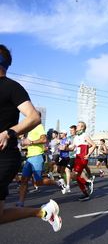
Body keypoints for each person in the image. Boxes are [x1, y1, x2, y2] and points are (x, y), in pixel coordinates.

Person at [0, 44, 61, 231]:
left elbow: (34, 116)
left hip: (4, 156)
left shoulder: (12, 87)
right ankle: (43, 212)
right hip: (22, 156)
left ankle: (49, 198)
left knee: (32, 180)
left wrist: (8, 133)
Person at [17, 112, 67, 207]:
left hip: (37, 156)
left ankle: (58, 182)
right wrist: (24, 144)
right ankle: (21, 202)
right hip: (29, 157)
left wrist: (31, 142)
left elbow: (44, 140)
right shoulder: (30, 129)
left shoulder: (38, 126)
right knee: (24, 180)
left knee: (37, 181)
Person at [70, 121, 96, 201]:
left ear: (82, 127)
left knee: (74, 176)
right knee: (77, 178)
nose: (77, 127)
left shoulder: (85, 135)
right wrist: (66, 148)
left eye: (78, 126)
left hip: (82, 158)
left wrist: (88, 154)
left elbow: (94, 145)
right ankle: (86, 194)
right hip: (77, 157)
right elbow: (72, 148)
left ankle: (88, 182)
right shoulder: (76, 137)